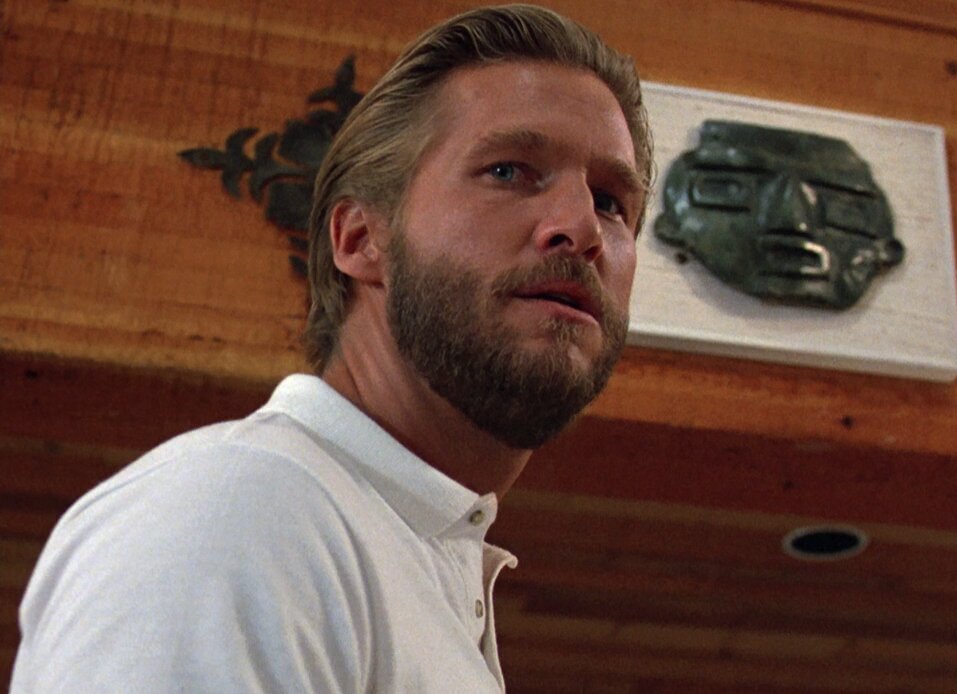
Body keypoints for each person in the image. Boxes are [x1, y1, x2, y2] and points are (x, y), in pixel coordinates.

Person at [11, 4, 653, 692]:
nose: (582, 227)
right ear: (360, 239)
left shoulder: (399, 555)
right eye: (509, 171)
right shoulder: (241, 512)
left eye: (611, 201)